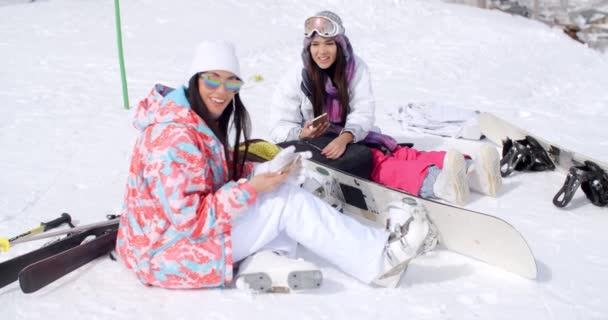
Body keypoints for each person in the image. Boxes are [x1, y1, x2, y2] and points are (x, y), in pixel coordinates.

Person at [115, 40, 438, 291]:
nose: (221, 92)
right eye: (213, 80)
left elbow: (210, 173)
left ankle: (266, 259)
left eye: (231, 83)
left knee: (279, 190)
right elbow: (193, 222)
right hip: (166, 256)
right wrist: (254, 187)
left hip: (164, 245)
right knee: (286, 203)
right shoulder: (174, 138)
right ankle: (379, 260)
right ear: (194, 79)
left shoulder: (190, 122)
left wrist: (263, 170)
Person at [269, 11, 502, 206]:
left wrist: (346, 136)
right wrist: (302, 133)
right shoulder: (296, 76)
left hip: (350, 136)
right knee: (376, 160)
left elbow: (363, 110)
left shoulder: (354, 68)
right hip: (313, 146)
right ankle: (439, 181)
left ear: (339, 45)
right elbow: (278, 126)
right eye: (316, 45)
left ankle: (471, 171)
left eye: (329, 43)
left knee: (393, 150)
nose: (322, 51)